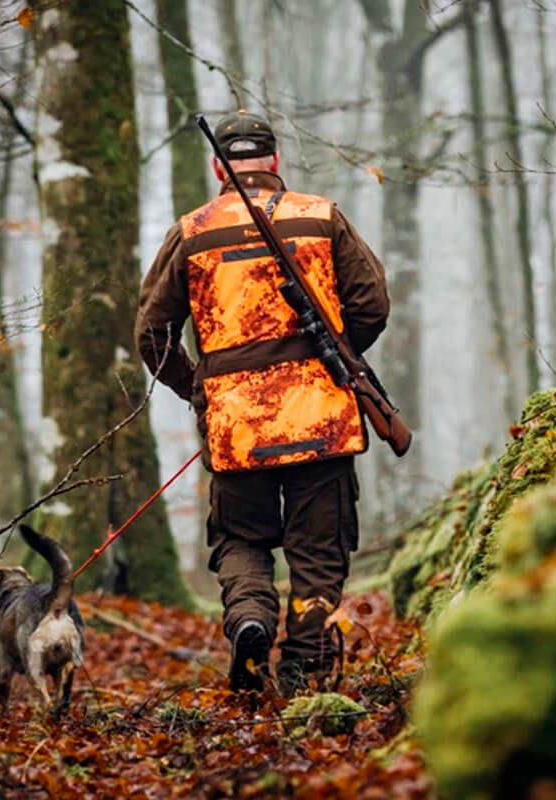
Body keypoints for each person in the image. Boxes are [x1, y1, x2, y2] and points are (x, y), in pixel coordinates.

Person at [135, 110, 389, 695]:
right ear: (274, 162)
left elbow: (152, 334)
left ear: (217, 167)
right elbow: (371, 305)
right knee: (318, 552)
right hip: (323, 418)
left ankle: (250, 619)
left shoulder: (192, 231)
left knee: (240, 539)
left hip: (236, 428)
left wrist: (198, 385)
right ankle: (306, 677)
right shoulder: (320, 217)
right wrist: (334, 357)